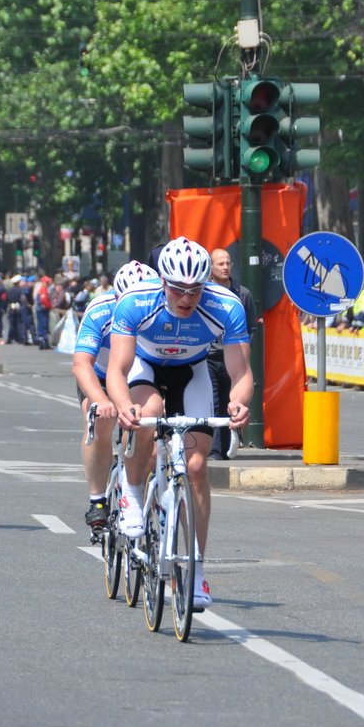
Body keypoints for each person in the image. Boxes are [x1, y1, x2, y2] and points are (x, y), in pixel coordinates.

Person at [108, 238, 251, 611]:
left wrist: (239, 401)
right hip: (146, 367)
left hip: (193, 372)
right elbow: (117, 369)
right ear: (162, 283)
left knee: (197, 466)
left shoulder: (226, 306)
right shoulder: (137, 302)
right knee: (148, 410)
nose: (186, 298)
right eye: (177, 289)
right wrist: (124, 406)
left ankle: (197, 568)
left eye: (194, 290)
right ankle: (132, 491)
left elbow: (241, 372)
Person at [72, 260, 160, 531]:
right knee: (98, 416)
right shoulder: (100, 310)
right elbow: (81, 364)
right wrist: (101, 399)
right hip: (101, 376)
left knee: (150, 425)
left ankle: (146, 491)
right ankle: (97, 499)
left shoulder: (160, 309)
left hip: (140, 376)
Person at [206, 247, 254, 460]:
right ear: (211, 268)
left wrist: (243, 350)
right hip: (209, 357)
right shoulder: (205, 293)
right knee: (213, 403)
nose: (225, 267)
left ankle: (226, 447)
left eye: (228, 263)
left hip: (233, 358)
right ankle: (214, 450)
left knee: (231, 401)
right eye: (220, 264)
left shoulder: (243, 294)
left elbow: (251, 327)